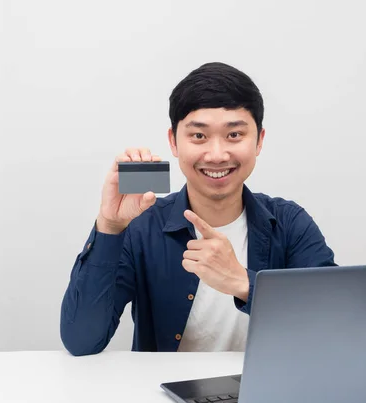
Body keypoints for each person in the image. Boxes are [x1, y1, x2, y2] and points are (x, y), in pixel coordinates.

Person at [60, 62, 336, 356]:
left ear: (259, 141)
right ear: (173, 142)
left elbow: (334, 325)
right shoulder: (143, 225)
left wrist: (243, 283)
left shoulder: (290, 223)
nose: (217, 155)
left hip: (267, 397)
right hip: (161, 399)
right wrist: (110, 225)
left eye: (234, 135)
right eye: (199, 136)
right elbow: (82, 341)